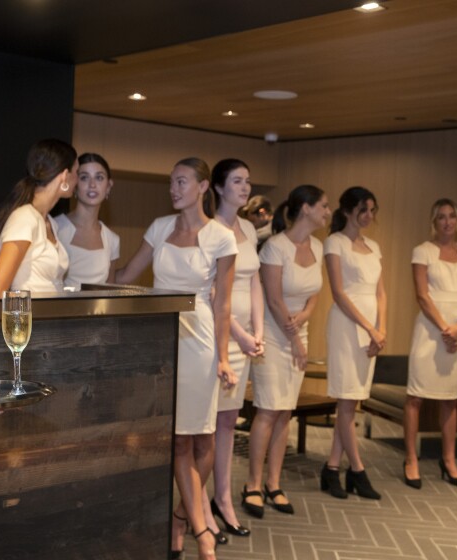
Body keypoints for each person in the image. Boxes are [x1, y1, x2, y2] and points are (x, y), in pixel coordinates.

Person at [115, 158, 237, 560]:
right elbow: (127, 276)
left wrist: (223, 357)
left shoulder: (221, 237)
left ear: (203, 187)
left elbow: (223, 305)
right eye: (171, 182)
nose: (173, 188)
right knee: (177, 439)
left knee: (201, 437)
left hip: (200, 338)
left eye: (181, 182)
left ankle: (182, 518)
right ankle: (199, 528)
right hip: (161, 338)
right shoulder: (159, 227)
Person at [244, 185, 330, 516]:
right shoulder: (275, 248)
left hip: (298, 331)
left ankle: (274, 483)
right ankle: (252, 484)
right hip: (274, 335)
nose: (327, 211)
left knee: (285, 411)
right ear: (305, 208)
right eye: (323, 205)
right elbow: (274, 298)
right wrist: (295, 339)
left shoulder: (319, 246)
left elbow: (314, 294)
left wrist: (304, 321)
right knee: (268, 409)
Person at [201, 159, 263, 543]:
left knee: (229, 422)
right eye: (237, 181)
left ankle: (223, 498)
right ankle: (201, 505)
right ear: (219, 188)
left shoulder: (250, 227)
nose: (245, 187)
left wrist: (258, 329)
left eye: (247, 181)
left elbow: (254, 279)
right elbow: (209, 289)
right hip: (217, 334)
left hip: (245, 337)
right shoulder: (209, 230)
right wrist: (239, 334)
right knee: (208, 425)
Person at [403, 199, 457, 489]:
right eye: (441, 217)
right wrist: (445, 328)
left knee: (450, 397)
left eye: (451, 217)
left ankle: (449, 460)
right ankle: (411, 459)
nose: (447, 222)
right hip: (430, 329)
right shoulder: (422, 251)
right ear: (433, 222)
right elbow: (422, 296)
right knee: (416, 396)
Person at [321, 186, 386, 500]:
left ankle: (332, 468)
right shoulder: (334, 242)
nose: (369, 216)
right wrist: (368, 328)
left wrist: (381, 328)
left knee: (351, 401)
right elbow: (338, 293)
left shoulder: (373, 246)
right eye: (363, 210)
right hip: (347, 326)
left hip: (371, 327)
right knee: (347, 399)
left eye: (372, 210)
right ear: (347, 211)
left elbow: (381, 293)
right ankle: (357, 470)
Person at [0, 139, 78, 293]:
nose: (77, 181)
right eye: (77, 173)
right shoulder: (24, 218)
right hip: (28, 315)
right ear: (65, 176)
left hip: (52, 314)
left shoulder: (50, 223)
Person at [54, 153, 120, 289]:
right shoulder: (55, 227)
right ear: (74, 184)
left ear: (108, 186)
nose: (92, 184)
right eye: (84, 177)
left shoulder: (112, 239)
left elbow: (110, 293)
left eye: (99, 178)